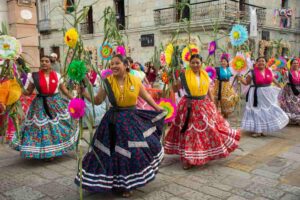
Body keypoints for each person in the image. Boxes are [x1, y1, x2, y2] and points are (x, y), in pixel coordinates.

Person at [75, 54, 165, 197]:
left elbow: (146, 97)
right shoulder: (107, 82)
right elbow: (98, 100)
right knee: (111, 153)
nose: (114, 66)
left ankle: (128, 184)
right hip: (113, 121)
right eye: (112, 64)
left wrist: (157, 108)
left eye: (117, 63)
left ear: (126, 65)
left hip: (131, 120)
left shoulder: (135, 80)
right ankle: (111, 182)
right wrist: (84, 92)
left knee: (132, 152)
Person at [164, 54, 240, 170]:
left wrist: (213, 103)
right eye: (193, 62)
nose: (195, 65)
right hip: (189, 106)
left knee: (208, 130)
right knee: (188, 132)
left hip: (204, 105)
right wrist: (169, 80)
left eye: (197, 63)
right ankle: (187, 159)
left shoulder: (205, 75)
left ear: (201, 63)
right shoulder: (184, 76)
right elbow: (175, 89)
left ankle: (202, 154)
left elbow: (208, 90)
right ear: (189, 64)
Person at [11, 56, 78, 159]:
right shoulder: (34, 76)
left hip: (56, 103)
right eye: (42, 61)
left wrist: (74, 100)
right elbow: (28, 92)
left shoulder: (57, 75)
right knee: (42, 128)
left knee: (59, 126)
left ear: (50, 63)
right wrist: (17, 86)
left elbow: (64, 91)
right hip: (39, 105)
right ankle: (48, 153)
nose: (44, 63)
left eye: (46, 61)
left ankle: (56, 149)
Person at [238, 57, 289, 137]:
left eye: (263, 61)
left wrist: (280, 86)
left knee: (268, 110)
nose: (261, 62)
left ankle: (262, 129)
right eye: (259, 61)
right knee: (257, 111)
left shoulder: (269, 71)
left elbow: (273, 80)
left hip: (267, 95)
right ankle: (258, 130)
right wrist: (240, 78)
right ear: (256, 63)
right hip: (256, 95)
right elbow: (246, 82)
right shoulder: (252, 72)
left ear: (265, 63)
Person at [278, 58, 300, 124]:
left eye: (297, 63)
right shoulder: (287, 73)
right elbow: (284, 82)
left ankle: (298, 119)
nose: (295, 64)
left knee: (298, 105)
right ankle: (291, 119)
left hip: (298, 91)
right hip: (290, 92)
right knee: (290, 105)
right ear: (291, 64)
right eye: (294, 63)